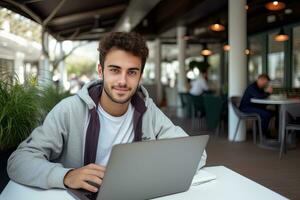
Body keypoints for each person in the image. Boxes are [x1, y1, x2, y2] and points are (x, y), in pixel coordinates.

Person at [7, 32, 207, 193]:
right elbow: (19, 161)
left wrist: (152, 174)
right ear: (101, 71)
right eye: (114, 70)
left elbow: (196, 155)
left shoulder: (148, 111)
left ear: (140, 77)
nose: (122, 81)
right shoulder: (70, 110)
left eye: (131, 72)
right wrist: (67, 176)